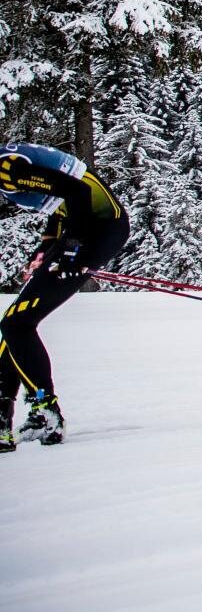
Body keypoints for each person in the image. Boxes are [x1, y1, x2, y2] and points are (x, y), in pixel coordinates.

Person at [0, 144, 131, 449]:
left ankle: (46, 413)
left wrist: (72, 249)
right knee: (15, 323)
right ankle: (10, 419)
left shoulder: (7, 169)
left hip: (102, 228)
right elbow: (62, 205)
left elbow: (76, 192)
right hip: (88, 228)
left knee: (17, 323)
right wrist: (48, 246)